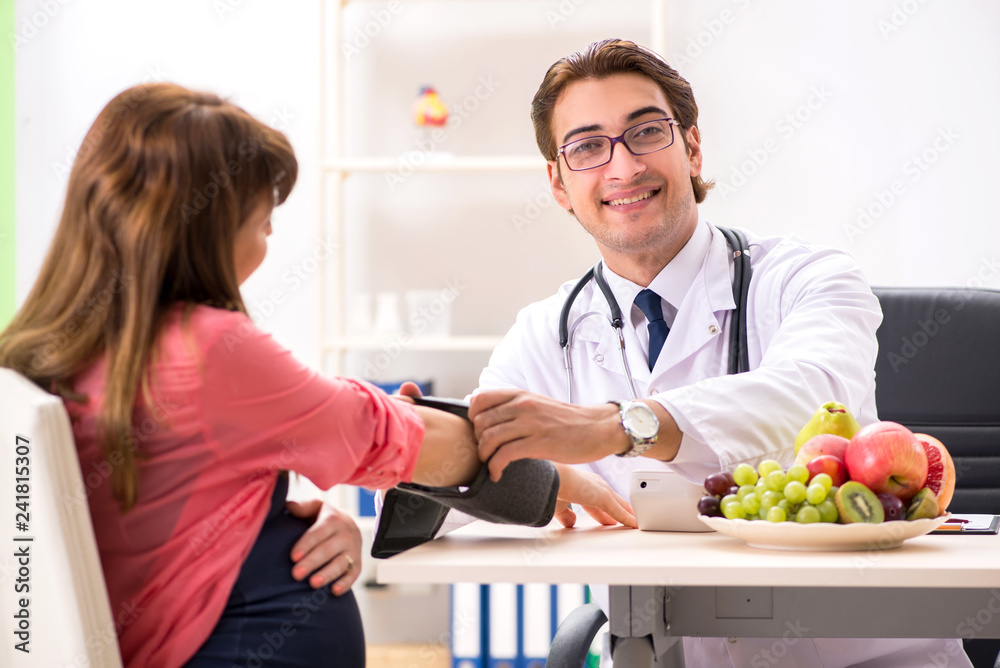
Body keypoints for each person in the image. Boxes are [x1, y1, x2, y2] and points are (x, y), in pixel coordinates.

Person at [0, 82, 631, 668]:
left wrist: (294, 523)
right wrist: (564, 473)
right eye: (261, 213)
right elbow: (425, 448)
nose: (272, 229)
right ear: (201, 222)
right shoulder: (208, 352)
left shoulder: (44, 351)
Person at [462, 39, 973, 668]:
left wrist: (615, 428)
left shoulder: (808, 278)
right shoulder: (548, 332)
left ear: (692, 147)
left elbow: (812, 393)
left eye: (646, 132)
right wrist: (343, 525)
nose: (621, 169)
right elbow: (465, 456)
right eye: (587, 147)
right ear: (559, 183)